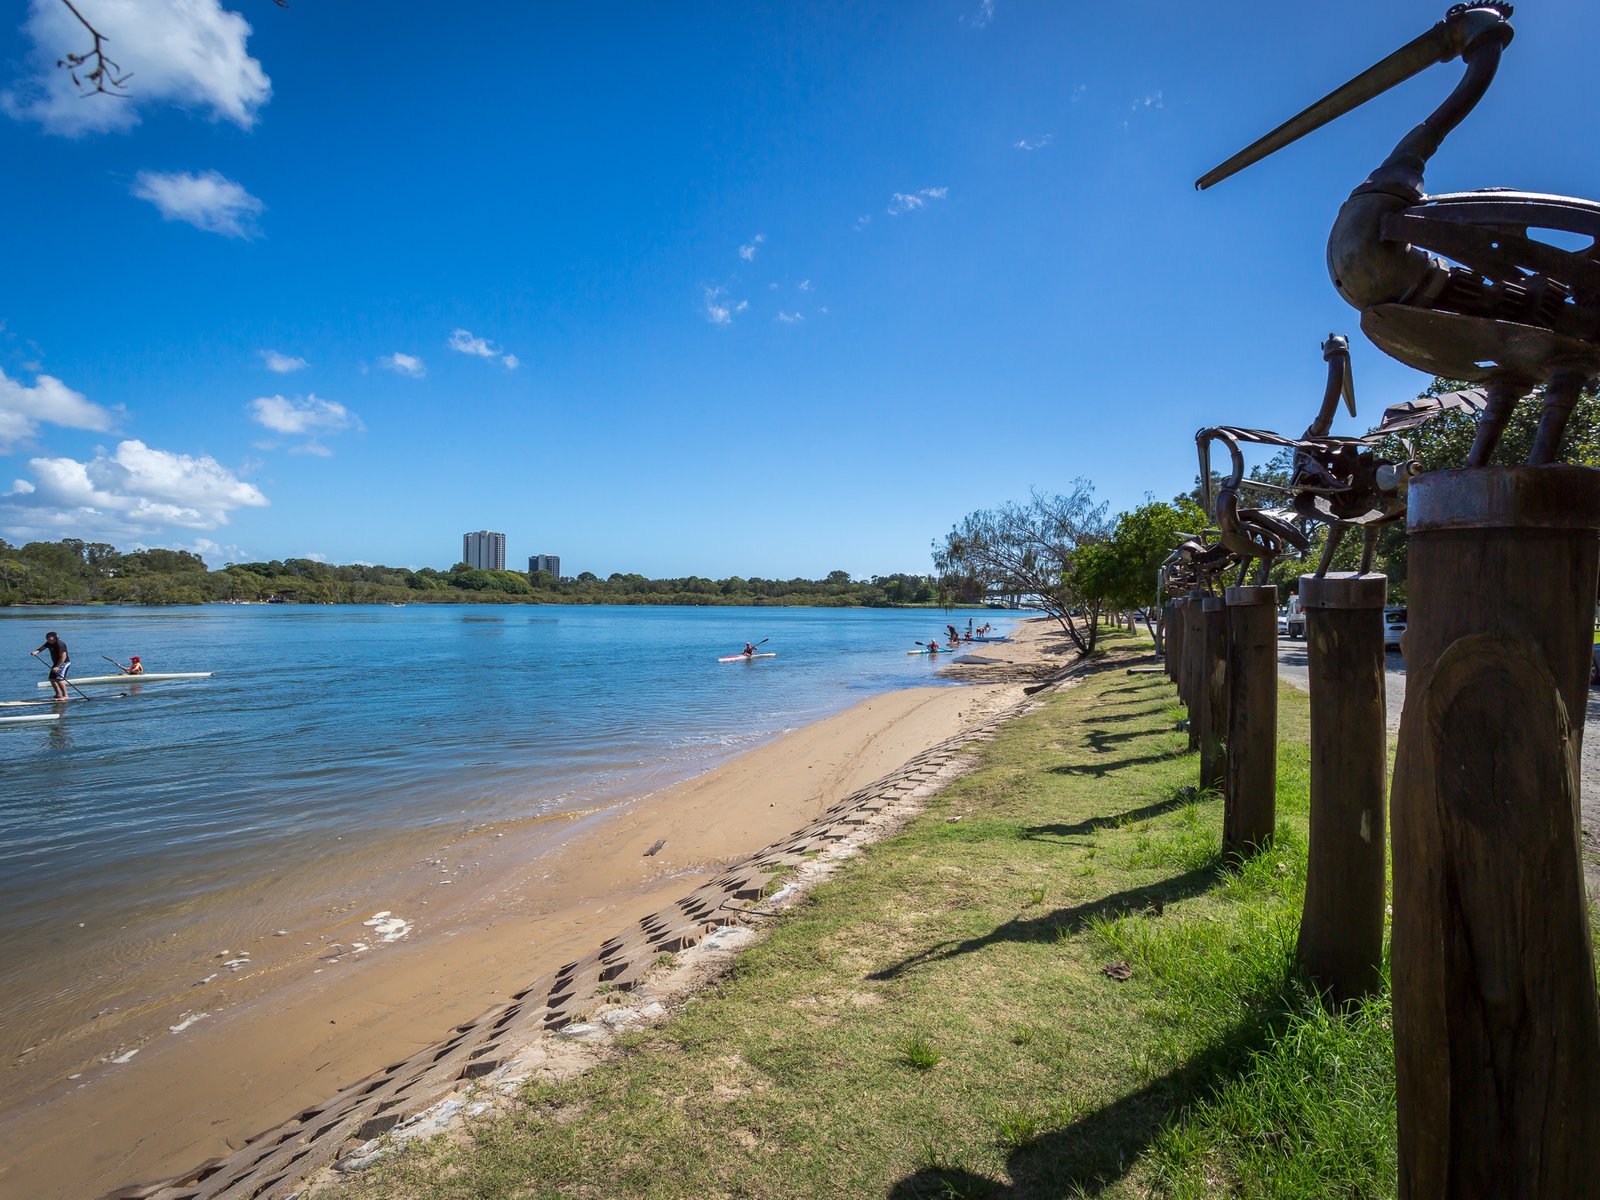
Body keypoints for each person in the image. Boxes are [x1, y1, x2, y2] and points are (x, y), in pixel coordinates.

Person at [32, 631, 70, 700]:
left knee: (59, 679)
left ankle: (65, 696)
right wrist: (35, 652)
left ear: (54, 637)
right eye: (46, 638)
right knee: (52, 679)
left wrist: (57, 667)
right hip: (56, 663)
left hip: (63, 663)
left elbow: (63, 657)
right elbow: (41, 649)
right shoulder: (49, 643)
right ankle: (58, 694)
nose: (47, 639)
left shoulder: (60, 644)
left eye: (48, 637)